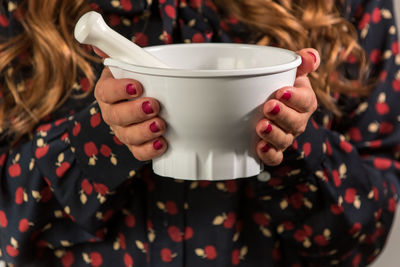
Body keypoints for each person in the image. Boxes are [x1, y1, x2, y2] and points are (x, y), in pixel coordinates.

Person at [0, 0, 399, 266]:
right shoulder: (27, 10)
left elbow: (368, 232)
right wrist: (104, 138)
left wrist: (297, 143)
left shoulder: (343, 7)